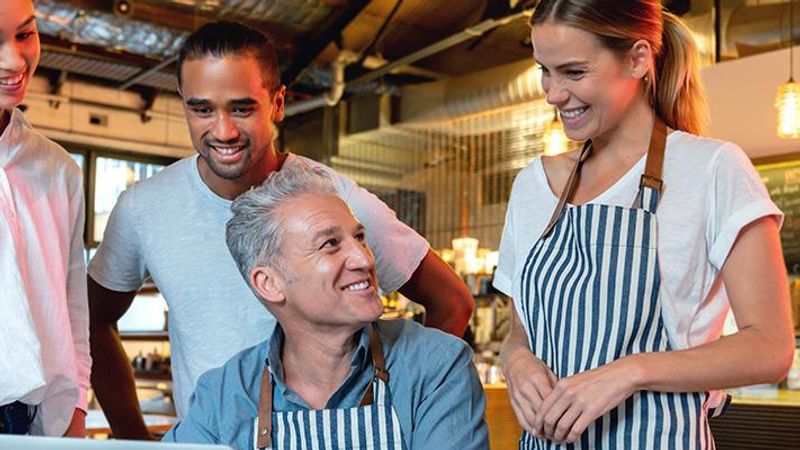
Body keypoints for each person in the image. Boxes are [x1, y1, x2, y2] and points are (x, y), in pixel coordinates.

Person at [87, 20, 474, 439]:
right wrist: (134, 438)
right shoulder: (144, 208)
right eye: (202, 109)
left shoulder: (336, 202)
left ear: (277, 103)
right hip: (209, 440)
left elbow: (451, 302)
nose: (223, 131)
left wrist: (407, 402)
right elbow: (92, 320)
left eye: (242, 108)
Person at [495, 1, 795, 448]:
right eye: (545, 71)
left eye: (574, 72)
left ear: (637, 59)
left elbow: (771, 347)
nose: (553, 94)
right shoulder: (532, 186)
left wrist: (629, 373)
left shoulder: (711, 169)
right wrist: (516, 359)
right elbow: (521, 330)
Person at [162, 163, 489, 449]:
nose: (364, 259)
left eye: (359, 238)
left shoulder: (435, 366)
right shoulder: (224, 393)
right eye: (330, 244)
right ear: (269, 283)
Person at [0, 0, 89, 437]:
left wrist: (77, 407)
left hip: (28, 419)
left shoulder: (58, 170)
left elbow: (74, 307)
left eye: (24, 34)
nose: (14, 60)